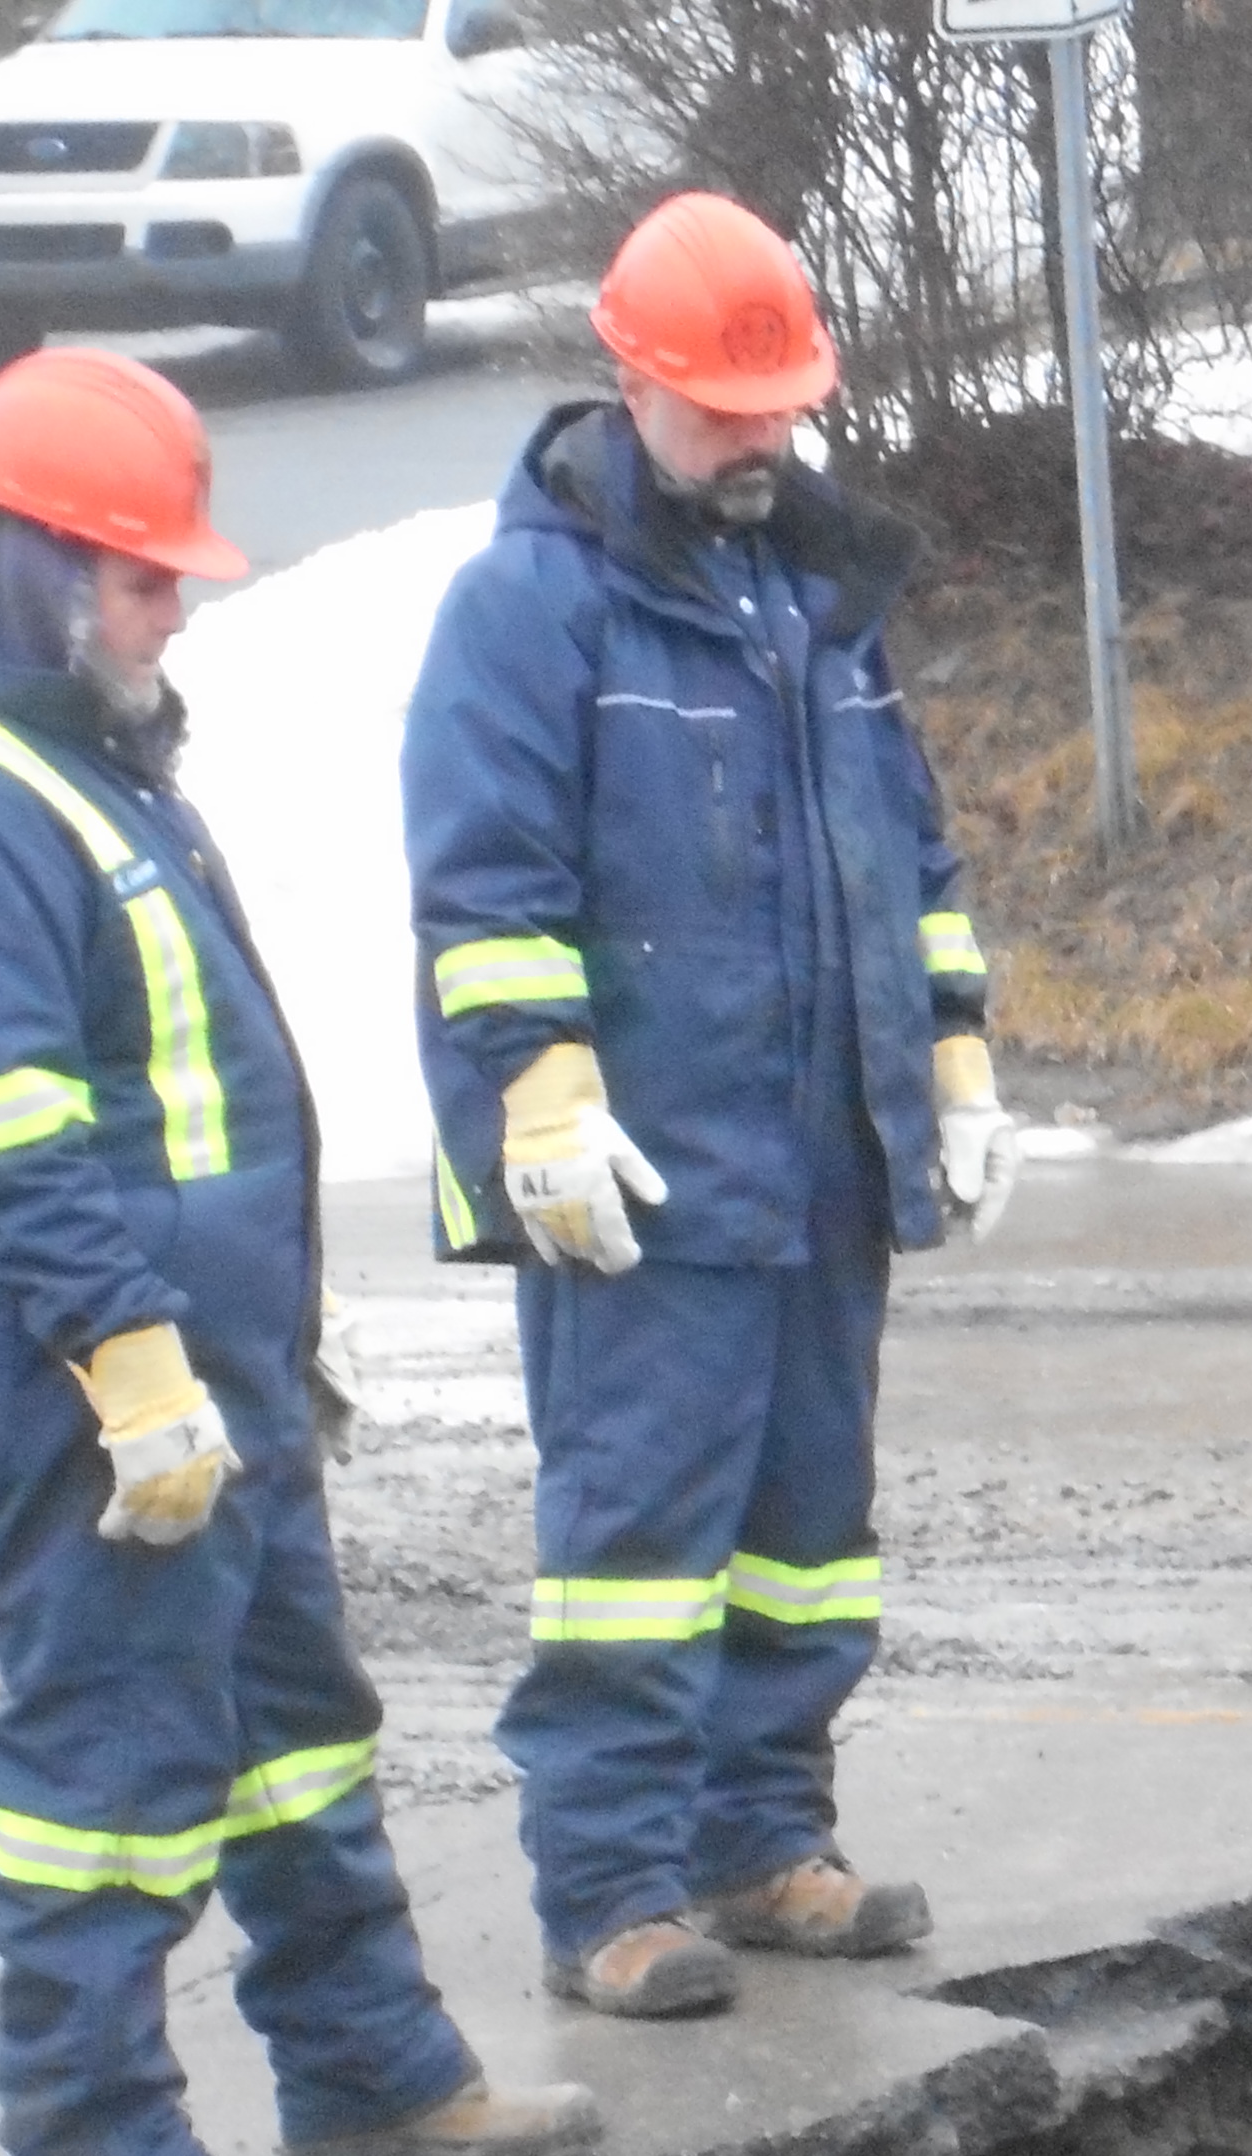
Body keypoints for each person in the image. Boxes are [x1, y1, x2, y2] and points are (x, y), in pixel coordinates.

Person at [0, 350, 602, 2156]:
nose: (177, 610)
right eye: (143, 577)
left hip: (206, 1374)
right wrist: (129, 1359)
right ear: (32, 574)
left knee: (289, 1737)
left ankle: (368, 2075)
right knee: (107, 1779)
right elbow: (3, 1128)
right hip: (93, 1391)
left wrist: (248, 1348)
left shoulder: (105, 785)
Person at [403, 189, 1020, 2022]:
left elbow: (904, 851)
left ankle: (764, 1843)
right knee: (635, 1555)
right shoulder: (534, 606)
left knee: (807, 1530)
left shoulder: (817, 600)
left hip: (818, 1151)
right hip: (642, 1172)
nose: (759, 436)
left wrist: (957, 1051)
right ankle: (612, 1894)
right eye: (723, 404)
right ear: (630, 378)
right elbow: (484, 883)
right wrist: (545, 1094)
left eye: (781, 404)